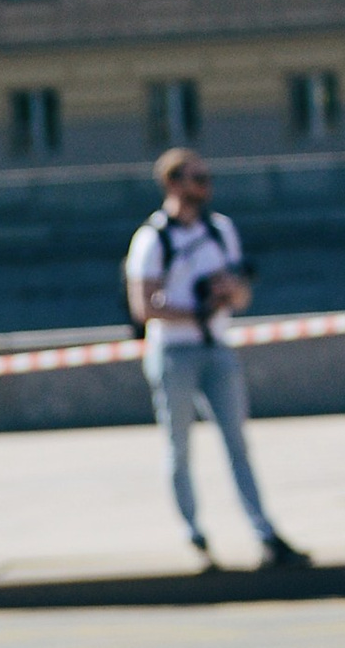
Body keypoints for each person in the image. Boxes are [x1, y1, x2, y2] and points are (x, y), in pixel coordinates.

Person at [123, 151, 309, 572]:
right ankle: (194, 534)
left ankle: (264, 533)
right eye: (197, 178)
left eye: (206, 177)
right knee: (179, 447)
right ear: (174, 184)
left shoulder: (219, 230)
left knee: (238, 444)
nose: (205, 186)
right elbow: (142, 306)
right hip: (173, 352)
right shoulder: (153, 239)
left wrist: (230, 292)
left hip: (217, 348)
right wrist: (194, 312)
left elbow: (242, 294)